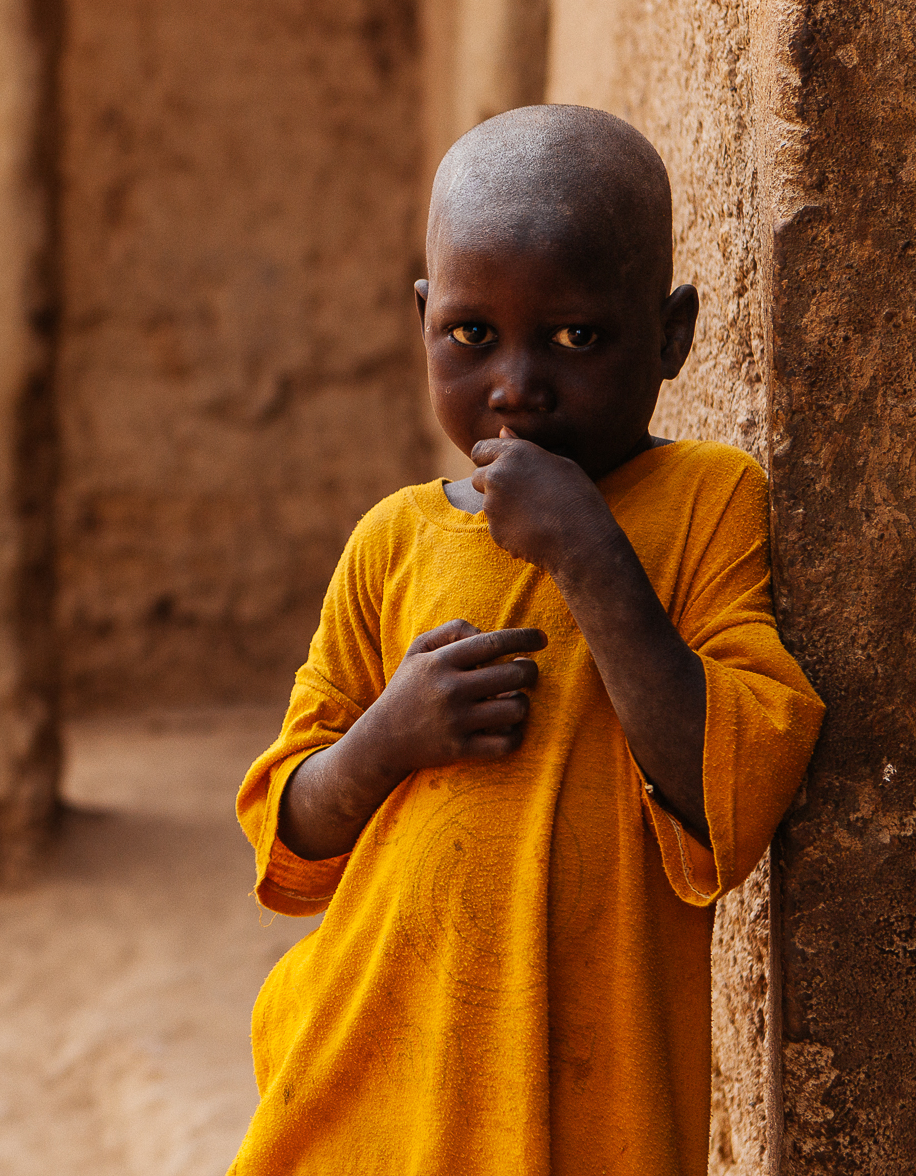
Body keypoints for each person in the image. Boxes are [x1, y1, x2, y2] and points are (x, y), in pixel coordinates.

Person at [226, 105, 823, 1175]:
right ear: (421, 321)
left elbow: (727, 793)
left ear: (672, 332)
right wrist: (385, 737)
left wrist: (591, 555)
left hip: (584, 1076)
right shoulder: (392, 540)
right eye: (469, 334)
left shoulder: (703, 506)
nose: (514, 383)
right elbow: (290, 837)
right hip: (382, 1057)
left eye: (575, 336)